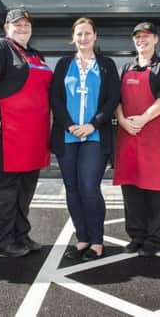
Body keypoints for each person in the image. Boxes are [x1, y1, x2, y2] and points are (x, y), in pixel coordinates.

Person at [0, 9, 52, 258]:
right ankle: (3, 238)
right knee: (6, 188)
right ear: (6, 27)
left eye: (26, 24)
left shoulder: (35, 54)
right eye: (16, 24)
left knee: (26, 187)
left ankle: (21, 233)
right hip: (8, 131)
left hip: (34, 134)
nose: (22, 28)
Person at [50, 17, 119, 261]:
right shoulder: (63, 64)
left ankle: (97, 241)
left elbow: (113, 99)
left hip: (95, 135)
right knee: (72, 188)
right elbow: (55, 99)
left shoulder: (107, 64)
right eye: (79, 34)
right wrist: (69, 125)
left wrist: (92, 124)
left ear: (95, 36)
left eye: (87, 33)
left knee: (89, 187)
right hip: (67, 135)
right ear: (73, 38)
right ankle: (82, 239)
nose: (83, 38)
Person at [113, 22, 160, 257]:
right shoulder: (126, 68)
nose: (142, 41)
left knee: (154, 190)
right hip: (127, 135)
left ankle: (154, 239)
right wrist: (122, 120)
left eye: (146, 36)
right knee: (131, 191)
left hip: (154, 137)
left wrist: (142, 119)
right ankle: (136, 236)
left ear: (155, 40)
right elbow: (116, 100)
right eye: (138, 37)